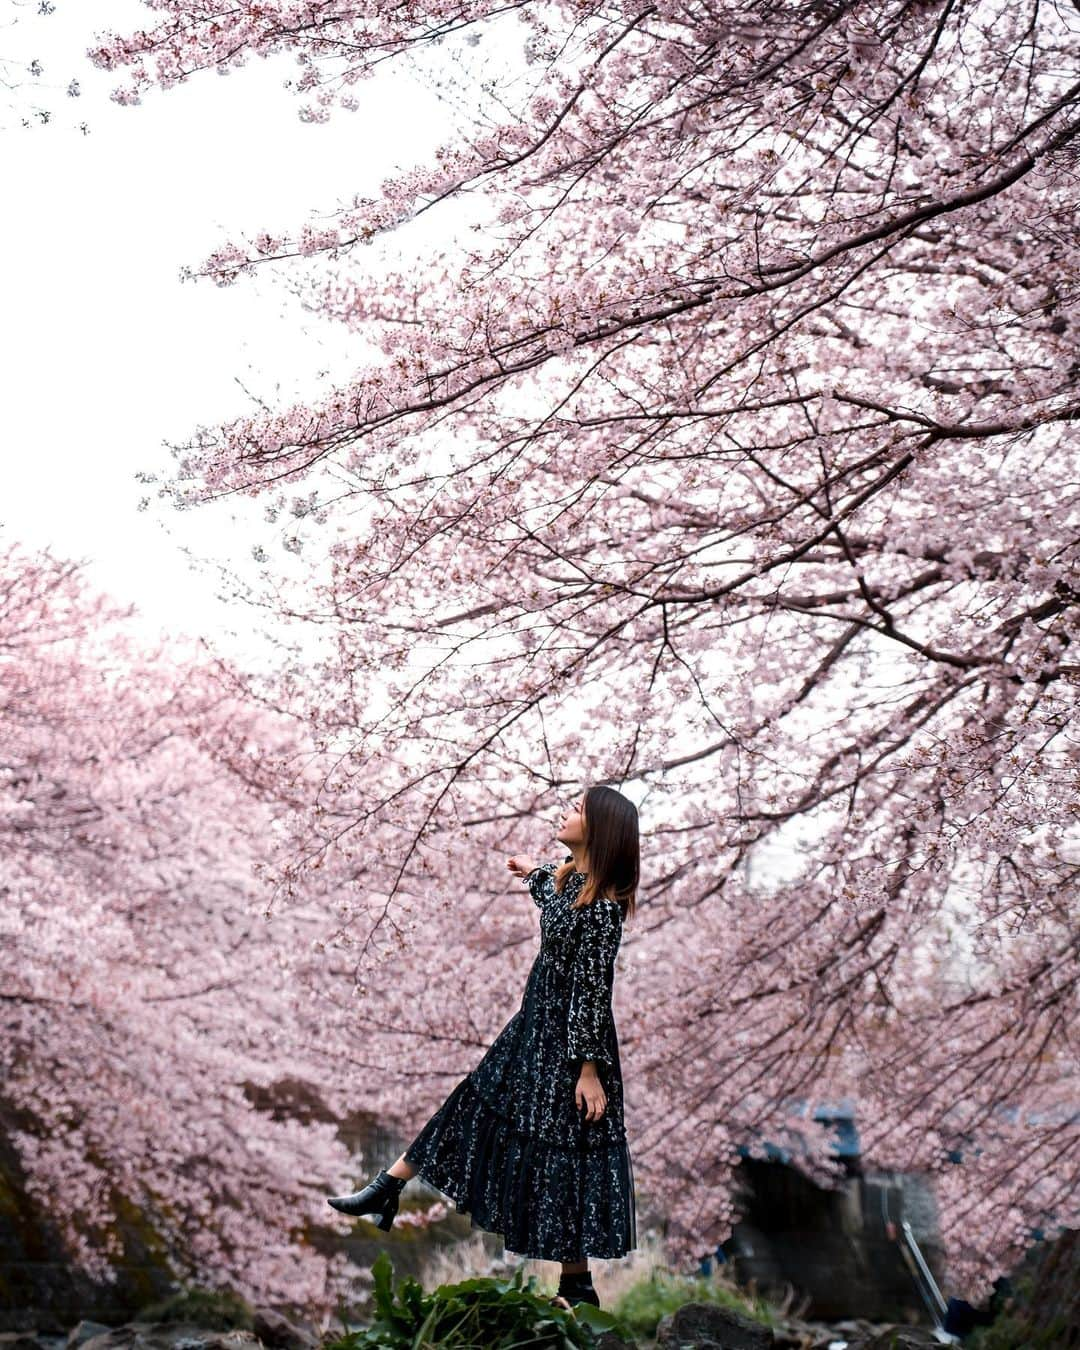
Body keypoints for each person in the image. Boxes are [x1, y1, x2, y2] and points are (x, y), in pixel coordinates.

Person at [328, 784, 640, 1312]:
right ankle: (388, 1186)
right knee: (474, 1106)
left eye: (578, 809)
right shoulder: (572, 887)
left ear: (600, 831)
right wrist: (533, 874)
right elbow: (553, 904)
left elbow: (592, 991)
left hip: (568, 1048)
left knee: (562, 1153)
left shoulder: (603, 908)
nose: (566, 811)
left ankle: (576, 1284)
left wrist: (589, 1071)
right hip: (533, 1030)